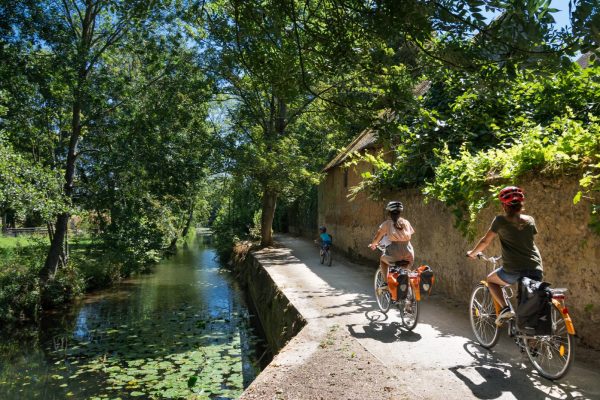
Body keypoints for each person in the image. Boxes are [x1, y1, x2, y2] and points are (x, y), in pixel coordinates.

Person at [467, 186, 543, 326]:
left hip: (514, 268)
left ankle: (505, 309)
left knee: (491, 280)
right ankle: (530, 343)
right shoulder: (530, 220)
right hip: (536, 267)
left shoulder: (500, 221)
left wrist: (473, 253)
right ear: (521, 204)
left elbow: (485, 241)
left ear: (504, 205)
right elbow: (528, 242)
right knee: (529, 306)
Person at [369, 201, 415, 286]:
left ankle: (386, 283)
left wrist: (373, 244)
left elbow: (377, 238)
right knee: (404, 272)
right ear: (400, 212)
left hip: (395, 253)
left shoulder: (386, 224)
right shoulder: (406, 222)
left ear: (389, 212)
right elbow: (408, 235)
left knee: (382, 260)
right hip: (409, 253)